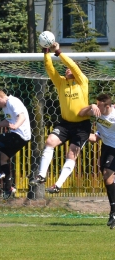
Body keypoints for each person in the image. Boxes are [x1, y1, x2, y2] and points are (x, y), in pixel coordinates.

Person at [29, 42, 91, 193]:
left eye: (71, 67)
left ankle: (58, 185)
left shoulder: (82, 82)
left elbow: (74, 66)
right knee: (50, 141)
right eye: (66, 68)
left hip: (82, 126)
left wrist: (58, 52)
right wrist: (46, 53)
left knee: (71, 153)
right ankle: (42, 175)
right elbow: (50, 69)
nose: (68, 69)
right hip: (65, 124)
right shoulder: (61, 82)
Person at [0, 88, 31, 200]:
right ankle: (9, 188)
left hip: (19, 135)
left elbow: (22, 116)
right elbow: (8, 122)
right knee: (3, 159)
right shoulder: (6, 107)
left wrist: (16, 126)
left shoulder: (13, 102)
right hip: (19, 136)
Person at [78, 93, 115, 229]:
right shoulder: (98, 113)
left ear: (107, 106)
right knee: (107, 180)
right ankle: (113, 211)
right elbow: (81, 114)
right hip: (106, 147)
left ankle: (113, 212)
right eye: (96, 104)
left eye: (99, 105)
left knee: (107, 176)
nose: (96, 108)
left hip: (114, 149)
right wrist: (91, 106)